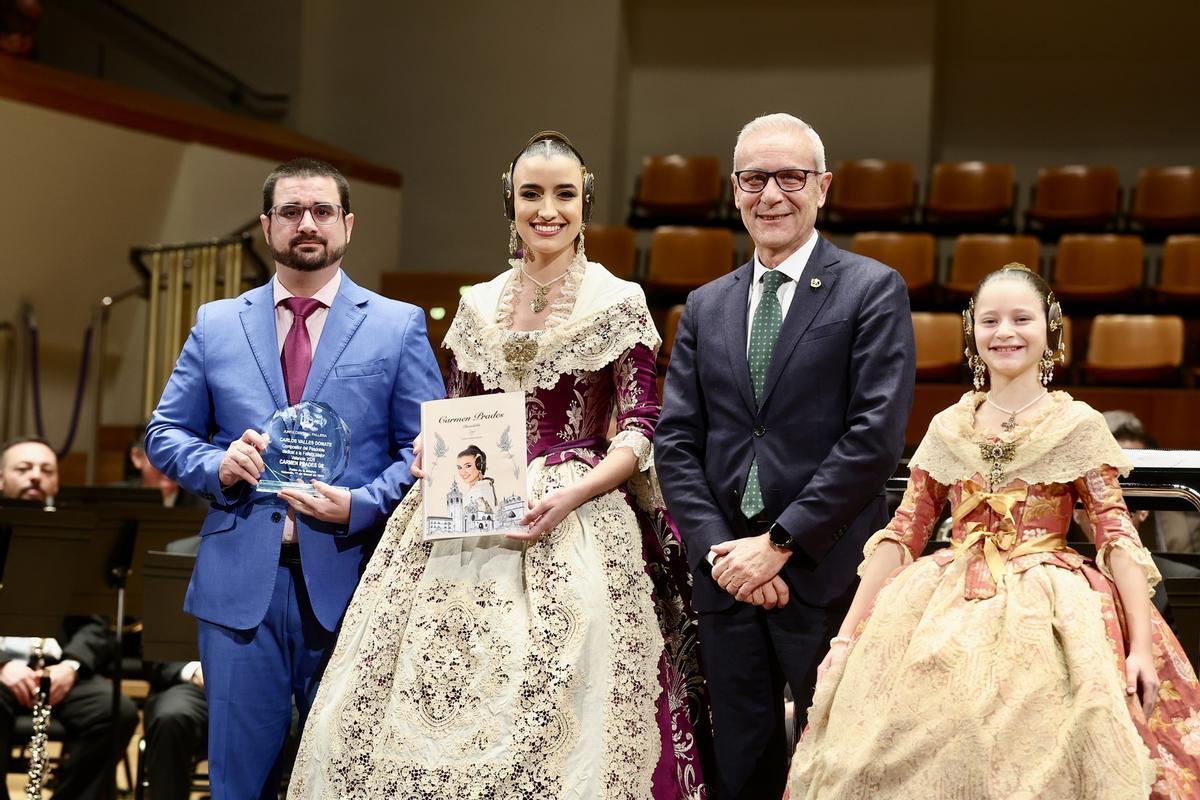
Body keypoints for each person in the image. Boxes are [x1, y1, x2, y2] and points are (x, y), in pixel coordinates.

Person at [288, 132, 710, 798]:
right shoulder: (477, 303)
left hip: (578, 504)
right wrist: (430, 447)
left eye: (564, 194)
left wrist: (574, 494)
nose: (548, 209)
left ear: (585, 201)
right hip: (470, 503)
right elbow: (457, 410)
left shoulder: (617, 300)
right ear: (509, 202)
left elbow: (639, 425)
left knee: (564, 686)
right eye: (531, 194)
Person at [788, 264, 1200, 799]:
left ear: (1050, 328)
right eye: (990, 320)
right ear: (972, 330)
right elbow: (904, 532)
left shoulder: (1076, 424)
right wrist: (846, 640)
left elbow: (1116, 535)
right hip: (945, 598)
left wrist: (1140, 648)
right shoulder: (948, 425)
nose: (1005, 332)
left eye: (1021, 319)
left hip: (1050, 604)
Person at [145, 157, 444, 798]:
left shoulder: (397, 324)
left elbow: (429, 448)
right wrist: (217, 465)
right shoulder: (216, 323)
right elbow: (164, 434)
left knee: (345, 781)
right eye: (291, 211)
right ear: (266, 226)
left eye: (322, 211)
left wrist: (360, 504)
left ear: (348, 225)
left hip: (354, 581)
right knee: (237, 784)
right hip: (239, 589)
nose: (307, 224)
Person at [654, 113, 915, 798]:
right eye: (754, 179)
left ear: (823, 187)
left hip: (827, 573)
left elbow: (874, 440)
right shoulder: (704, 306)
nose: (772, 194)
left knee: (842, 768)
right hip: (727, 578)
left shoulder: (872, 289)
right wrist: (722, 553)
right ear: (734, 190)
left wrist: (778, 544)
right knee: (740, 769)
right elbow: (675, 442)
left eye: (791, 177)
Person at [0, 436, 139, 799]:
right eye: (24, 468)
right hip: (3, 669)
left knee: (117, 712)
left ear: (57, 482)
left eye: (46, 470)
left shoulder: (79, 535)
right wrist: (2, 665)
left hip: (57, 668)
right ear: (1, 479)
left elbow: (97, 621)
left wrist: (72, 666)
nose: (35, 476)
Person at [457, 444, 498, 515]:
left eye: (468, 466)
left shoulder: (481, 489)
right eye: (459, 467)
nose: (462, 472)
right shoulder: (480, 487)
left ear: (479, 465)